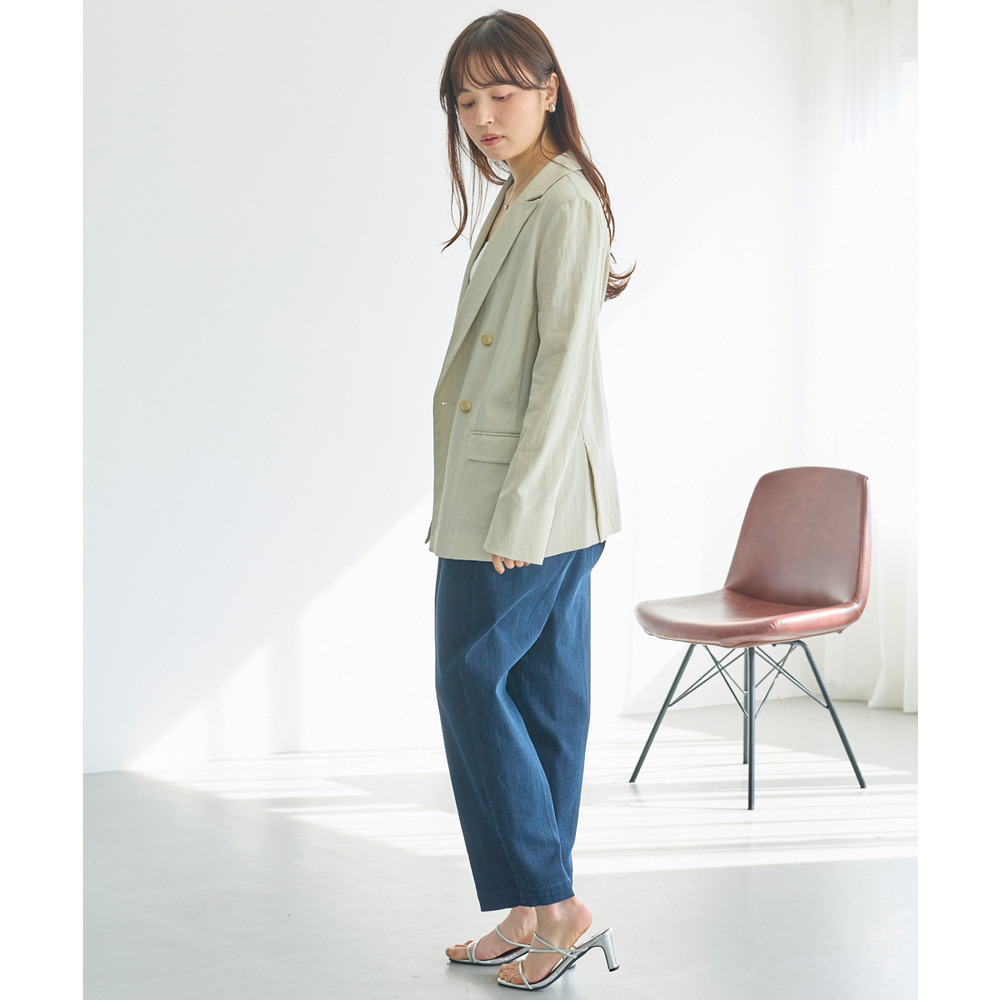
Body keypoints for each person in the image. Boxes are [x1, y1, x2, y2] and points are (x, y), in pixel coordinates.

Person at [428, 10, 632, 991]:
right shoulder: (519, 194)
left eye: (502, 93)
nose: (483, 116)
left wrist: (520, 510)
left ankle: (557, 906)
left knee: (473, 681)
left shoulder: (563, 201)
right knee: (543, 698)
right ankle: (529, 909)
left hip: (526, 505)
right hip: (531, 499)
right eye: (466, 100)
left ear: (550, 91)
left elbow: (561, 372)